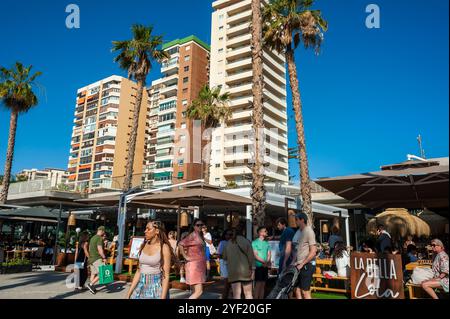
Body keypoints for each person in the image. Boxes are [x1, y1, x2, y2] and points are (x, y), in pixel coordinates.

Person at [126, 221, 173, 299]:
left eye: (148, 229)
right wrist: (128, 294)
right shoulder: (143, 245)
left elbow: (166, 276)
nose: (145, 231)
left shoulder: (164, 248)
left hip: (156, 288)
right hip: (141, 286)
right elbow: (138, 271)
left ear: (157, 231)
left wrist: (163, 297)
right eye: (145, 229)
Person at [223, 228, 255, 299]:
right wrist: (253, 270)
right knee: (248, 294)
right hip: (245, 271)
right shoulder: (246, 241)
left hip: (233, 272)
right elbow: (251, 257)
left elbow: (224, 257)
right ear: (242, 232)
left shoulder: (228, 243)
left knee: (236, 295)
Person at [178, 219, 206, 299]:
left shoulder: (199, 235)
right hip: (194, 266)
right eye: (198, 225)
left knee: (195, 292)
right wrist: (185, 256)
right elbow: (180, 244)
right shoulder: (193, 235)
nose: (200, 226)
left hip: (198, 266)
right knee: (199, 291)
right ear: (194, 226)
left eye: (201, 225)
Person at [293, 213, 317, 300]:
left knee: (305, 291)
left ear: (302, 220)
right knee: (297, 290)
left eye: (296, 219)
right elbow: (297, 248)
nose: (295, 221)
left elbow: (313, 251)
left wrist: (302, 264)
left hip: (307, 265)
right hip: (298, 265)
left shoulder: (309, 231)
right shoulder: (299, 232)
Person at [86, 226, 108, 295]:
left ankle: (92, 287)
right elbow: (100, 250)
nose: (104, 233)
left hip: (91, 258)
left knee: (93, 273)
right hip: (97, 258)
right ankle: (91, 284)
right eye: (104, 232)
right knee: (102, 273)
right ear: (102, 231)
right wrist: (104, 258)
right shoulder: (99, 238)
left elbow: (89, 248)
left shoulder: (92, 238)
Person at [252, 227, 271, 299]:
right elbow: (255, 255)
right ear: (260, 233)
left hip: (265, 267)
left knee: (263, 285)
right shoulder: (254, 242)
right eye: (265, 231)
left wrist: (267, 262)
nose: (266, 232)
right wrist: (264, 262)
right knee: (258, 285)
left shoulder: (267, 243)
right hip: (258, 266)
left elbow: (269, 254)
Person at [217, 229, 232, 299]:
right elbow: (219, 255)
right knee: (227, 282)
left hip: (232, 264)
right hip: (225, 264)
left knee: (231, 283)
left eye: (230, 234)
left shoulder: (233, 242)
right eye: (227, 234)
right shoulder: (222, 242)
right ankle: (224, 297)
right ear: (224, 235)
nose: (229, 236)